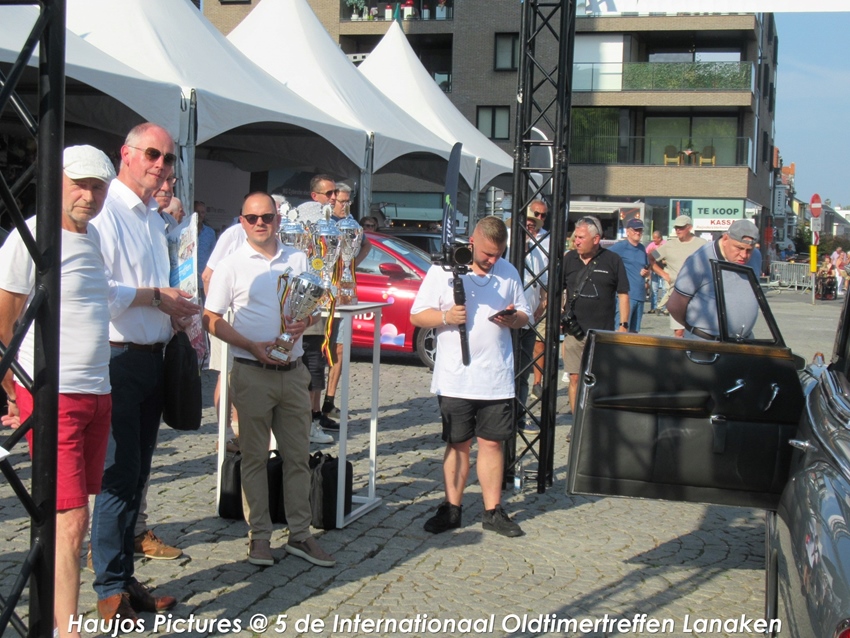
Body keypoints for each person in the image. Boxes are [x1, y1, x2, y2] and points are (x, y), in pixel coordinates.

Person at [0, 146, 114, 638]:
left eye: (97, 187)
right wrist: (13, 388)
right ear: (56, 181)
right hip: (54, 394)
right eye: (79, 184)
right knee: (70, 520)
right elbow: (4, 319)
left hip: (97, 391)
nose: (88, 196)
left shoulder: (93, 238)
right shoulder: (30, 237)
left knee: (76, 517)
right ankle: (66, 630)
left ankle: (62, 619)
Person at [88, 122, 200, 622]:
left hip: (152, 357)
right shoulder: (105, 213)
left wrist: (174, 311)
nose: (161, 165)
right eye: (153, 154)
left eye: (168, 158)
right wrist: (157, 297)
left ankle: (124, 577)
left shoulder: (154, 221)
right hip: (117, 359)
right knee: (118, 476)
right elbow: (101, 292)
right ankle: (109, 588)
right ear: (126, 154)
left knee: (137, 476)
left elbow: (157, 291)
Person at [203, 192, 336, 568]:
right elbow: (210, 318)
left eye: (266, 217)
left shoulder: (298, 258)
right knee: (254, 459)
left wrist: (305, 321)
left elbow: (317, 308)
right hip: (251, 372)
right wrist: (248, 344)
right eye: (252, 218)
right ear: (241, 221)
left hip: (293, 374)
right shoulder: (230, 265)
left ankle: (300, 534)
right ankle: (259, 537)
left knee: (297, 458)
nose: (260, 223)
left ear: (278, 219)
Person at [411, 216, 531, 537]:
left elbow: (525, 313)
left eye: (498, 254)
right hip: (456, 376)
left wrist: (514, 319)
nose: (492, 260)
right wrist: (446, 316)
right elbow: (417, 315)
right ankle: (452, 508)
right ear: (473, 240)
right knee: (458, 443)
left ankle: (493, 511)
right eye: (487, 254)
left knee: (492, 443)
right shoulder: (443, 270)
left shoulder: (508, 271)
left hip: (496, 376)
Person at [561, 216, 629, 413]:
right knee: (575, 377)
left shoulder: (613, 260)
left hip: (602, 333)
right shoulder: (569, 259)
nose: (576, 241)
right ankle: (577, 422)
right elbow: (556, 291)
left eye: (581, 238)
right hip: (574, 331)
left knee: (598, 379)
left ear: (596, 239)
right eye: (575, 237)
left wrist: (623, 325)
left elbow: (623, 295)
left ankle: (595, 420)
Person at [321, 183, 373, 421]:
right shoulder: (324, 222)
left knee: (341, 347)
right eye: (342, 201)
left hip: (346, 290)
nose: (345, 205)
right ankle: (311, 404)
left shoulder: (351, 223)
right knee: (318, 347)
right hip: (326, 290)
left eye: (348, 201)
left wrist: (352, 264)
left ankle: (329, 400)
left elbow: (367, 244)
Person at [295, 175, 340, 442]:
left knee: (317, 365)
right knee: (308, 366)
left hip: (324, 305)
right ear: (315, 196)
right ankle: (303, 423)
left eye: (335, 193)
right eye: (329, 193)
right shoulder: (305, 220)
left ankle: (313, 421)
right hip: (304, 306)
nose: (334, 198)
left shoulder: (334, 223)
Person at [667, 219, 762, 340]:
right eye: (739, 248)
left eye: (749, 250)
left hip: (744, 341)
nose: (744, 255)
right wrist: (694, 328)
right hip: (706, 342)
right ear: (725, 239)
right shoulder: (700, 260)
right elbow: (675, 305)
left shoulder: (756, 256)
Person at [650, 215, 707, 337]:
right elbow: (650, 258)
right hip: (676, 293)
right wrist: (664, 274)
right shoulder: (668, 246)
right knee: (679, 331)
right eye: (676, 227)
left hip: (698, 295)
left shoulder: (702, 244)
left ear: (689, 227)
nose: (678, 230)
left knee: (699, 332)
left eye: (681, 227)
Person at [517, 209, 547, 433]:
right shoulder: (508, 250)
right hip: (508, 321)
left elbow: (543, 281)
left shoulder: (537, 252)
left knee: (523, 372)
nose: (530, 228)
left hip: (529, 321)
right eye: (526, 224)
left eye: (533, 225)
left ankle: (519, 416)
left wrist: (542, 304)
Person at [608, 218, 649, 332]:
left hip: (640, 296)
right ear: (628, 231)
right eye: (635, 230)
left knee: (634, 333)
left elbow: (647, 266)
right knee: (621, 331)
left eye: (640, 230)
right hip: (626, 297)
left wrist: (646, 273)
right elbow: (605, 257)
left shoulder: (642, 248)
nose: (638, 232)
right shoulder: (621, 246)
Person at [526, 200, 549, 400]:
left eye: (543, 216)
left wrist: (544, 299)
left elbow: (548, 271)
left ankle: (537, 383)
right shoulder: (513, 237)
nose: (539, 218)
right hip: (518, 298)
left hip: (540, 294)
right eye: (536, 214)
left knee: (539, 341)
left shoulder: (547, 238)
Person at [646, 230, 666, 314]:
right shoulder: (651, 245)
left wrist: (653, 253)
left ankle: (663, 308)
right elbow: (647, 254)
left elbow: (663, 257)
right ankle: (653, 307)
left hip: (664, 270)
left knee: (665, 289)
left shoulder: (665, 244)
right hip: (654, 269)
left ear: (660, 238)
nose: (653, 239)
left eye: (655, 238)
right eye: (653, 237)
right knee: (654, 289)